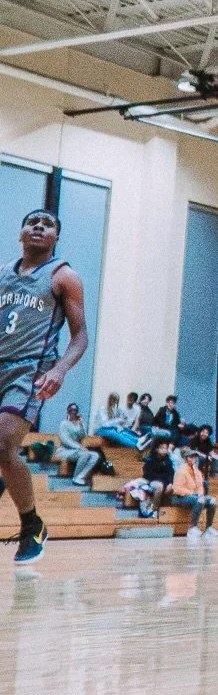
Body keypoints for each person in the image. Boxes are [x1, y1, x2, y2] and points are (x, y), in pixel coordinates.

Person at [0, 209, 89, 564]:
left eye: (48, 224)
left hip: (29, 371)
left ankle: (32, 525)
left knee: (4, 444)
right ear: (21, 232)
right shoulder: (3, 273)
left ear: (56, 238)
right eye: (32, 222)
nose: (39, 226)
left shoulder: (63, 276)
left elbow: (80, 336)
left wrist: (60, 370)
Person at [173, 448, 217, 539]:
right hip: (181, 497)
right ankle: (193, 528)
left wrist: (200, 494)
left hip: (194, 496)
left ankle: (209, 528)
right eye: (191, 457)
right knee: (200, 500)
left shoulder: (198, 472)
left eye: (195, 457)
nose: (193, 459)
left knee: (212, 501)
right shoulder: (181, 471)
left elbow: (200, 487)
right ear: (186, 458)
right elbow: (177, 489)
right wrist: (192, 494)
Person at [55, 403, 100, 487]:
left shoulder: (78, 424)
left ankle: (81, 476)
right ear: (68, 411)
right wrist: (79, 447)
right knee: (85, 454)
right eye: (71, 410)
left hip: (77, 450)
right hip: (65, 451)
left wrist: (81, 425)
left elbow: (83, 436)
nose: (73, 412)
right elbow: (65, 440)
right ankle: (76, 477)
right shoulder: (64, 424)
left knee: (95, 455)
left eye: (75, 410)